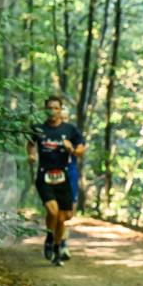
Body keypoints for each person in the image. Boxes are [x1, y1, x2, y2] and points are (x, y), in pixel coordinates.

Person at [27, 95, 85, 267]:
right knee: (52, 212)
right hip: (44, 176)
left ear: (61, 110)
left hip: (63, 177)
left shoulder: (70, 130)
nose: (52, 111)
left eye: (56, 108)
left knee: (62, 218)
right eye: (49, 108)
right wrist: (31, 154)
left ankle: (57, 248)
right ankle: (49, 237)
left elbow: (81, 149)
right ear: (45, 110)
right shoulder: (38, 128)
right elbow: (31, 143)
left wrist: (73, 150)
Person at [59, 106, 78, 260]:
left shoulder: (74, 135)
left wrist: (71, 149)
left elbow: (80, 152)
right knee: (58, 213)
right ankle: (61, 245)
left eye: (65, 118)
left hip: (71, 175)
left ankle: (59, 240)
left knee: (68, 215)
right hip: (54, 177)